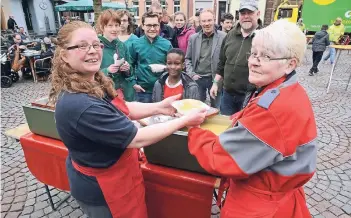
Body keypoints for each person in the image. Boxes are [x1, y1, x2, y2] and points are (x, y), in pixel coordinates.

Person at [49, 21, 207, 218]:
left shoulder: (88, 82)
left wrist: (159, 107)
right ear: (64, 54)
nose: (92, 51)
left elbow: (123, 107)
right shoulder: (81, 104)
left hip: (115, 172)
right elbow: (137, 138)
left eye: (96, 44)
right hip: (104, 187)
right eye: (82, 46)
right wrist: (184, 120)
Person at [188, 19, 317, 218]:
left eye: (265, 56)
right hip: (277, 196)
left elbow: (222, 158)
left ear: (290, 64)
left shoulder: (273, 108)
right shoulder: (286, 89)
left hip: (259, 204)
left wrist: (193, 130)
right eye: (254, 53)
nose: (254, 61)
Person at [210, 0, 262, 116]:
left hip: (250, 96)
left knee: (244, 129)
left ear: (258, 14)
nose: (246, 17)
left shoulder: (263, 37)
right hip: (227, 94)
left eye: (250, 13)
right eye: (243, 13)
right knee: (226, 127)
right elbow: (222, 62)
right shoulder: (230, 35)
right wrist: (215, 83)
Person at [185, 9, 226, 108]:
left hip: (215, 79)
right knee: (197, 108)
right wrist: (192, 74)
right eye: (203, 21)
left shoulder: (223, 37)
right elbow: (188, 59)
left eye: (209, 20)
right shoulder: (193, 38)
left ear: (214, 20)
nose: (206, 23)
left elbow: (226, 59)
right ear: (200, 22)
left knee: (217, 108)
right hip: (198, 78)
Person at [130, 12, 173, 103]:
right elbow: (130, 64)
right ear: (143, 26)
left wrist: (165, 68)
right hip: (142, 91)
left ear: (159, 26)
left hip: (163, 89)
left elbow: (174, 65)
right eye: (149, 25)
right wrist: (133, 83)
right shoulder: (136, 44)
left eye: (155, 25)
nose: (152, 29)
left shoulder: (166, 44)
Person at [97, 10, 135, 102]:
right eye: (110, 26)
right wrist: (107, 71)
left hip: (125, 94)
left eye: (117, 25)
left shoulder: (122, 46)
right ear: (103, 27)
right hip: (105, 96)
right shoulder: (96, 47)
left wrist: (127, 68)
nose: (114, 29)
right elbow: (89, 74)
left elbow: (131, 71)